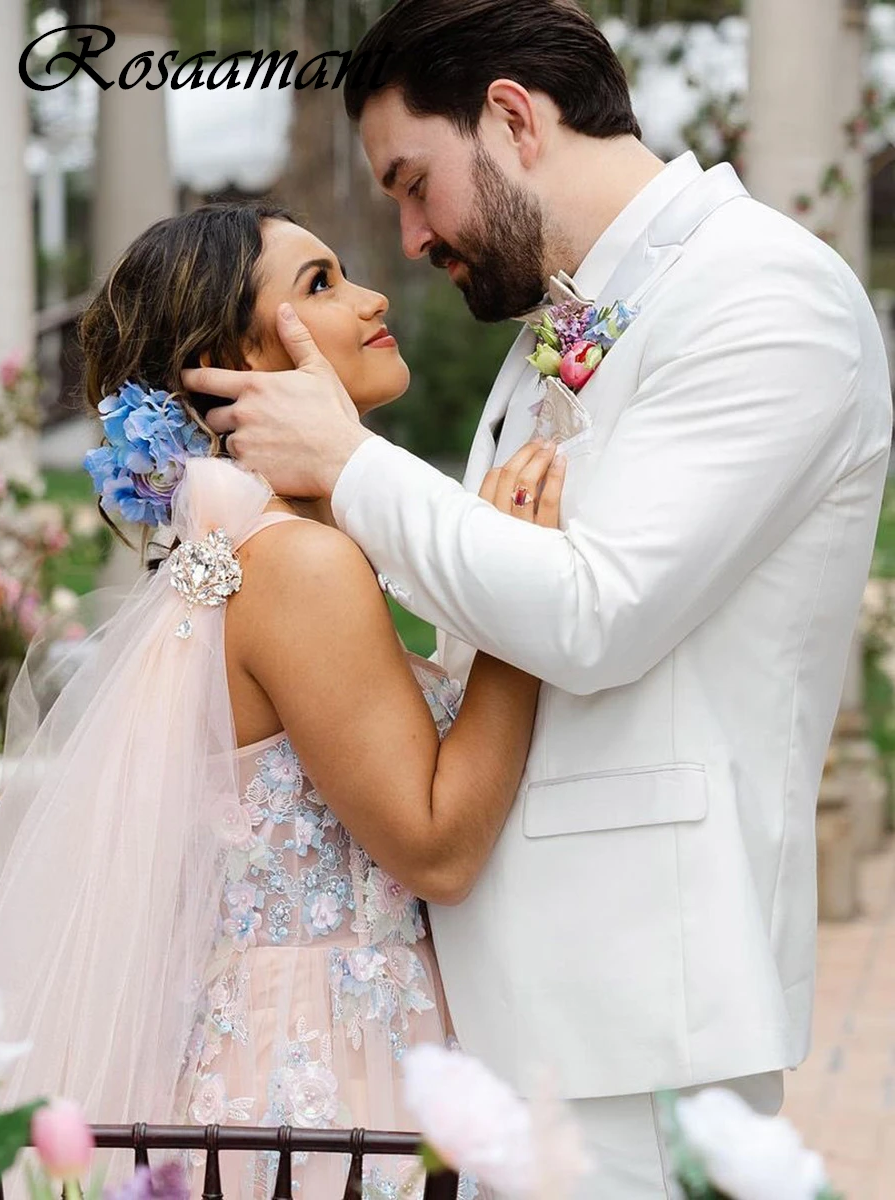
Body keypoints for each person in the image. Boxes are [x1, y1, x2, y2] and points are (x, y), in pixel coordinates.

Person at [182, 1, 894, 1196]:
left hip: (636, 1010)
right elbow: (491, 594)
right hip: (509, 1010)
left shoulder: (767, 295)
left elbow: (598, 613)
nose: (407, 238)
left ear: (511, 117)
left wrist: (350, 465)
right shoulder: (555, 326)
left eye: (415, 184)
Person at [0, 201, 564, 1200]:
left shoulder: (240, 554)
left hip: (279, 1051)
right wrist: (528, 590)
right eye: (321, 285)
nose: (373, 295)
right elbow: (437, 843)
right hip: (331, 1085)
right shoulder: (298, 565)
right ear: (233, 361)